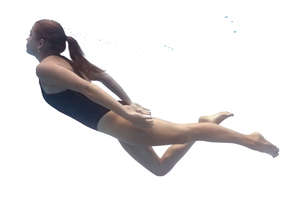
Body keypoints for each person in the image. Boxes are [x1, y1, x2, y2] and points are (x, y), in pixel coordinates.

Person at [26, 19, 279, 176]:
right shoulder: (64, 62)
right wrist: (128, 103)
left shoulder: (46, 67)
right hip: (119, 127)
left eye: (30, 34)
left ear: (41, 42)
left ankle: (251, 140)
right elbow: (103, 77)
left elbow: (90, 88)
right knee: (160, 169)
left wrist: (127, 110)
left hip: (122, 123)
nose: (26, 39)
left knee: (187, 132)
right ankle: (208, 122)